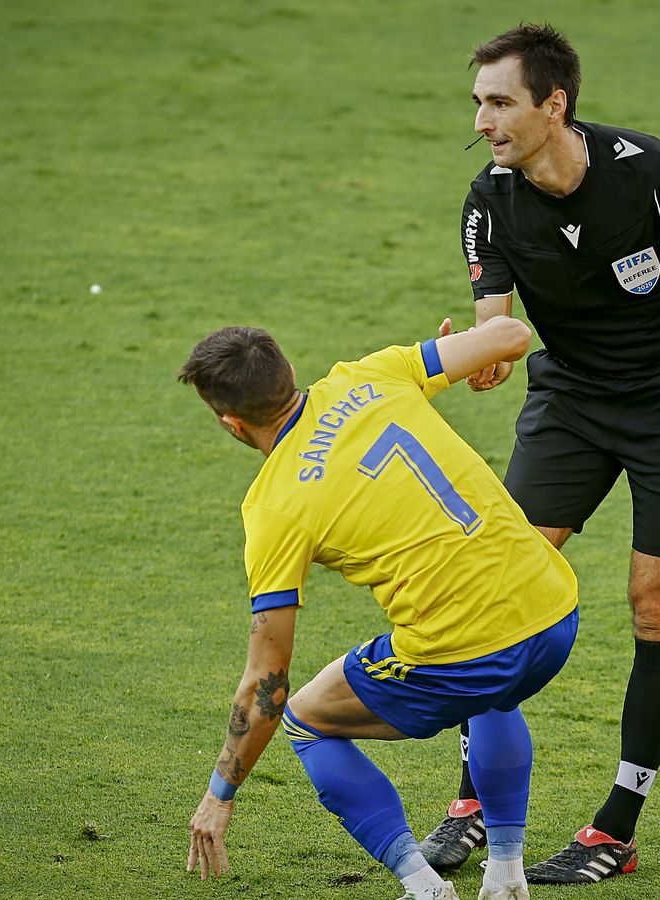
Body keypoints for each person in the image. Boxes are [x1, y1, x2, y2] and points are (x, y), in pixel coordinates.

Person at [419, 23, 660, 885]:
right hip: (569, 401)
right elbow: (497, 331)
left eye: (500, 102)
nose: (484, 120)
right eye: (479, 104)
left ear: (553, 105)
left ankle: (618, 825)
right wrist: (479, 359)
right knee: (500, 585)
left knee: (658, 604)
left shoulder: (651, 173)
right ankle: (470, 803)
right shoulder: (488, 198)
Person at [179, 318, 579, 900]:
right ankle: (506, 875)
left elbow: (267, 682)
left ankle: (426, 889)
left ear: (231, 423)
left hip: (467, 653)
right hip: (554, 613)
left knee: (307, 720)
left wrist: (219, 794)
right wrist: (473, 351)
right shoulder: (373, 373)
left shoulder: (274, 508)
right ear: (290, 371)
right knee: (494, 691)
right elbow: (513, 335)